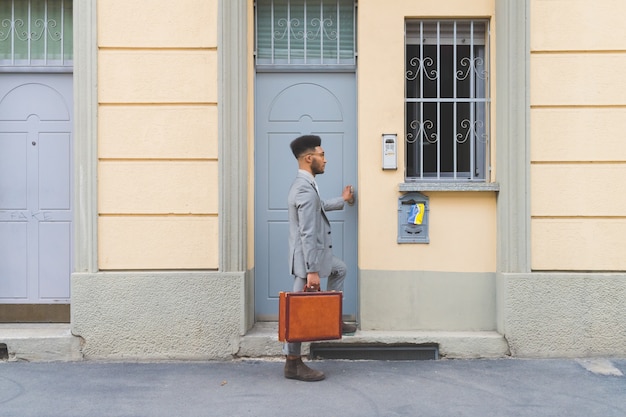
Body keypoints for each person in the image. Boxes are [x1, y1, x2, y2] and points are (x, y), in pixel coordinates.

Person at [284, 134, 357, 382]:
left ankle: (333, 317)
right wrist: (312, 270)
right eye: (322, 155)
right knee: (297, 313)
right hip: (307, 260)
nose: (325, 160)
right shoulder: (304, 188)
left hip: (312, 258)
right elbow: (307, 232)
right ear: (308, 158)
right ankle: (293, 363)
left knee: (339, 270)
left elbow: (319, 205)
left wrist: (342, 201)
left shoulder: (307, 184)